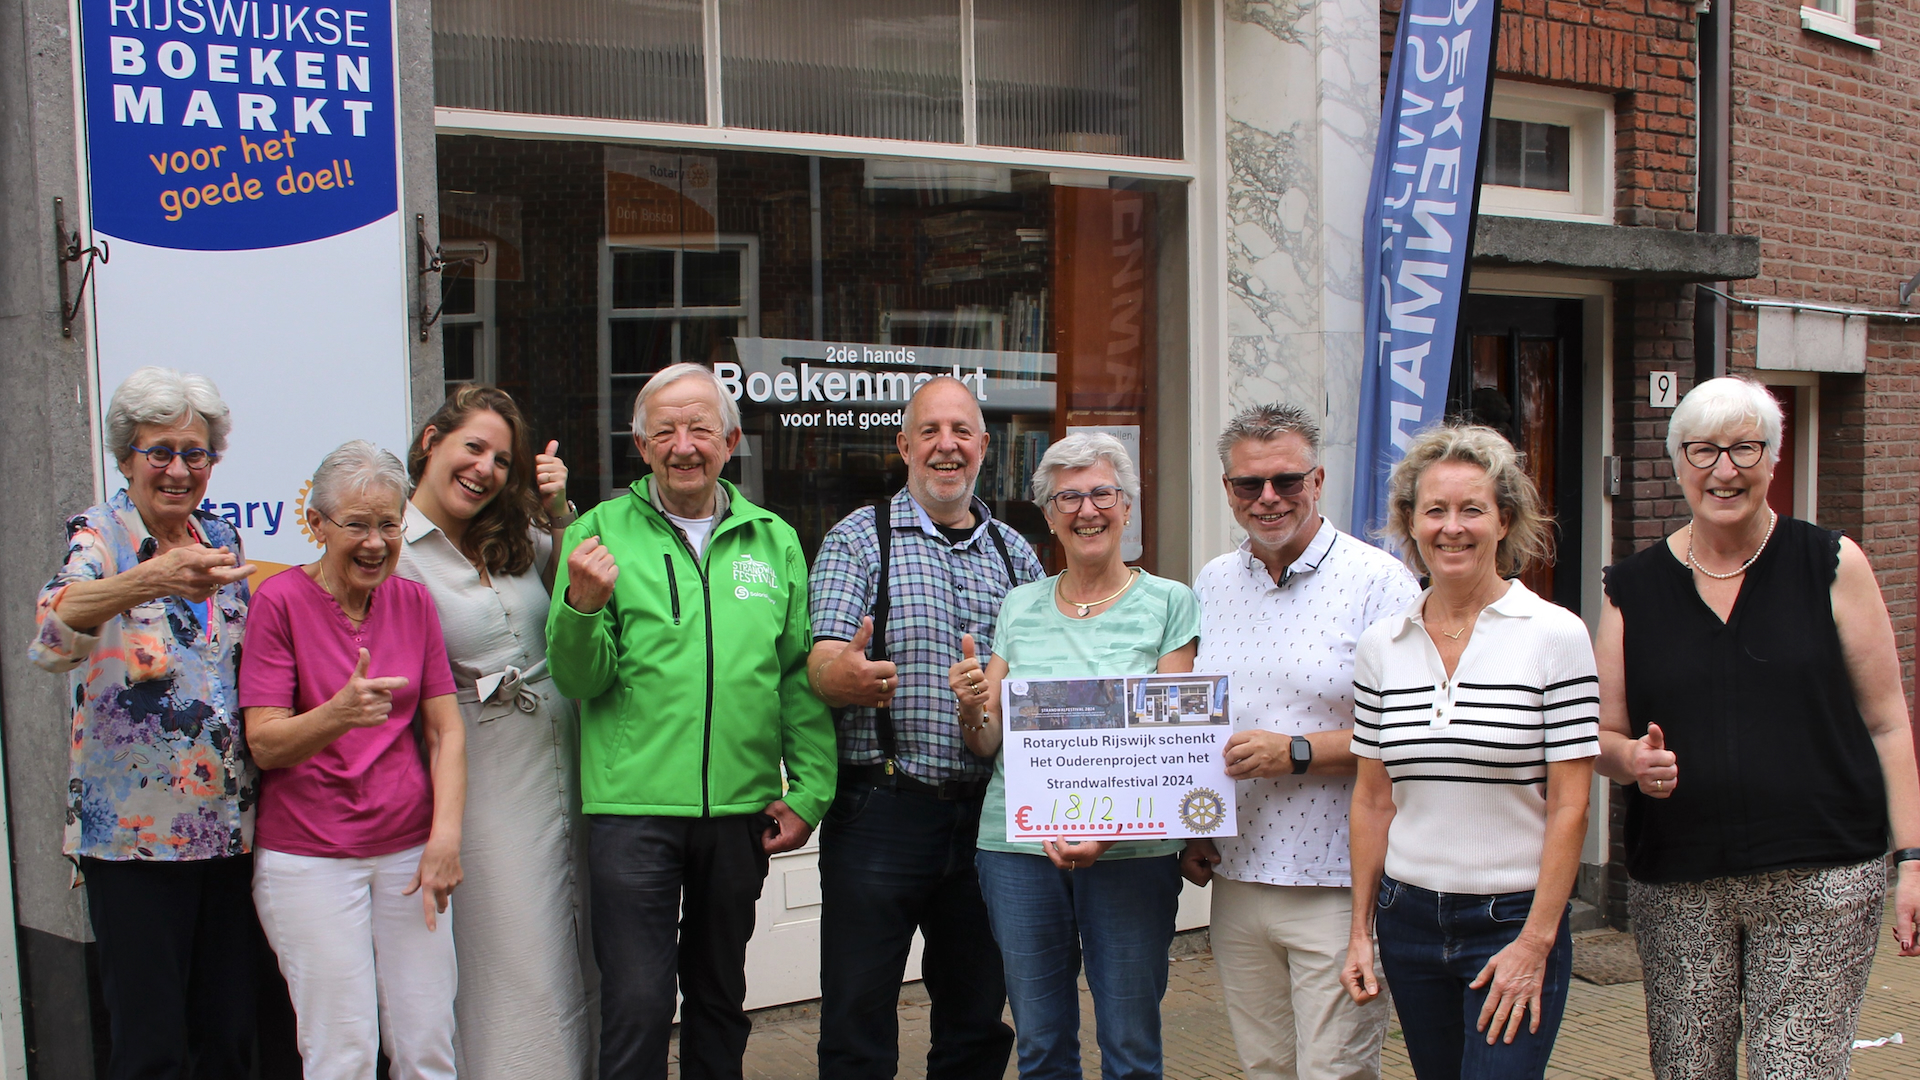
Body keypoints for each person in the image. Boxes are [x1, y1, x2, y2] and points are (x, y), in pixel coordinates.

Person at [1593, 376, 1920, 1079]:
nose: (1725, 470)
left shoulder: (1832, 564)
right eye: (1703, 451)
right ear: (1677, 461)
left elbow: (1889, 724)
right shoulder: (1631, 588)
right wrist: (1631, 762)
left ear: (1773, 459)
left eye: (1746, 448)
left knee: (1794, 1069)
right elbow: (1603, 737)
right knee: (1688, 1068)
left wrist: (1914, 862)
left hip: (1824, 875)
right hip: (1680, 881)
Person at [547, 362, 837, 1080]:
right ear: (640, 446)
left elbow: (798, 676)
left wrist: (809, 792)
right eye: (665, 430)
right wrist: (582, 606)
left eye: (700, 428)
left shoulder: (774, 540)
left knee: (719, 997)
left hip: (739, 808)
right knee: (639, 1002)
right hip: (632, 810)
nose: (684, 445)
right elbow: (577, 679)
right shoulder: (597, 533)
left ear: (730, 439)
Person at [1339, 424, 1597, 1080]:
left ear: (1504, 521)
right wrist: (1360, 932)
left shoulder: (1555, 636)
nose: (1453, 528)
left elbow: (1571, 806)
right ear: (1409, 523)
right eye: (1435, 510)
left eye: (1472, 509)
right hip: (1409, 918)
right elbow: (1372, 800)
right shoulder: (1381, 646)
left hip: (1510, 917)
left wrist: (1536, 941)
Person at [29, 367, 260, 1080]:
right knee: (150, 1047)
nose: (178, 468)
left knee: (229, 1038)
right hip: (135, 843)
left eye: (195, 452)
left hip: (227, 833)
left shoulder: (221, 536)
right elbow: (51, 635)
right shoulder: (100, 534)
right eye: (159, 451)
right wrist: (154, 577)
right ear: (127, 457)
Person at [947, 432, 1200, 1080]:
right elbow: (987, 740)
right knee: (1040, 1046)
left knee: (1131, 1046)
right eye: (1069, 498)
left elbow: (1172, 741)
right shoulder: (1020, 605)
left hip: (1132, 855)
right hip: (1017, 850)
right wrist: (974, 703)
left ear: (1126, 505)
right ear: (1050, 514)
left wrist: (1106, 834)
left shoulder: (1171, 603)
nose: (1087, 510)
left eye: (1101, 493)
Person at [808, 376, 1040, 1080]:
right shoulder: (859, 538)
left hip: (986, 823)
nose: (947, 446)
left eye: (962, 432)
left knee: (975, 1021)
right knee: (858, 1017)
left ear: (983, 448)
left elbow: (1040, 686)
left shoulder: (1016, 555)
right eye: (931, 432)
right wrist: (846, 676)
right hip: (882, 810)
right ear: (904, 445)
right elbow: (820, 663)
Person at [1185, 404, 1418, 1080]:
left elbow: (1410, 726)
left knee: (1334, 1071)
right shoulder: (1214, 583)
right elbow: (1199, 722)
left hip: (1340, 882)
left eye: (1286, 481)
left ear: (1317, 480)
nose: (1268, 499)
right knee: (1265, 1068)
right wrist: (1193, 821)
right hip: (1239, 876)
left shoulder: (1381, 582)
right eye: (1248, 485)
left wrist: (1299, 750)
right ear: (1226, 488)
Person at [239, 441, 467, 1080]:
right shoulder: (278, 603)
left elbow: (446, 731)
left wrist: (445, 838)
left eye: (389, 524)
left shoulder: (414, 602)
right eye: (357, 525)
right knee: (343, 1054)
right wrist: (337, 713)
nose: (375, 542)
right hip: (310, 860)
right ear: (317, 525)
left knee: (427, 1045)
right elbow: (265, 741)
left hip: (406, 854)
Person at [395, 385, 592, 1080]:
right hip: (480, 775)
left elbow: (578, 575)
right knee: (515, 952)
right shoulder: (393, 551)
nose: (484, 469)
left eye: (501, 460)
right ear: (431, 442)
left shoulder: (509, 538)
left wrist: (558, 508)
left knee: (575, 941)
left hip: (560, 762)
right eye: (472, 447)